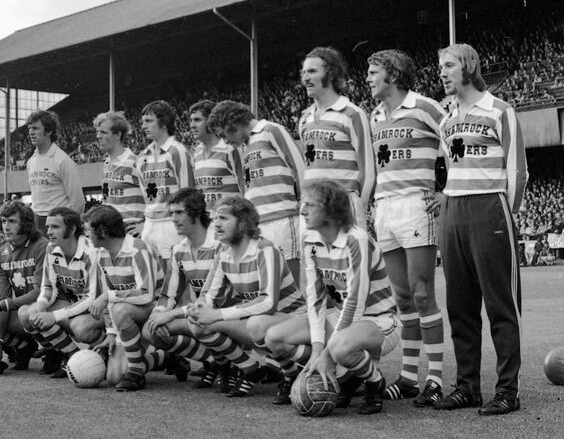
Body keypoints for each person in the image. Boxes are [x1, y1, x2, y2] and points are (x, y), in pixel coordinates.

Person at [435, 43, 528, 415]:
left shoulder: (501, 111)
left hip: (490, 207)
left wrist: (506, 210)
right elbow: (449, 167)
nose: (441, 73)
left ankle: (507, 390)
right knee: (459, 306)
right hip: (453, 208)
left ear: (469, 66)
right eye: (440, 67)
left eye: (448, 65)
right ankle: (467, 387)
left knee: (500, 303)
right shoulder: (446, 121)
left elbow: (517, 170)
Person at [264, 180, 400, 414]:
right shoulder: (309, 241)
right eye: (302, 204)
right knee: (275, 338)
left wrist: (327, 353)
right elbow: (315, 299)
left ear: (331, 210)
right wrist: (318, 351)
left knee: (338, 348)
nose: (303, 211)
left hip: (379, 320)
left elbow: (356, 300)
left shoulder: (357, 239)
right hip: (341, 318)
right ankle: (341, 376)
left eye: (310, 205)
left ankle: (374, 381)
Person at [364, 49, 448, 406]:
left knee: (423, 292)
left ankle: (436, 378)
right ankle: (410, 377)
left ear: (393, 75)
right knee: (402, 299)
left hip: (416, 205)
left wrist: (446, 192)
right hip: (385, 209)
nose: (367, 78)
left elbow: (455, 144)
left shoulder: (426, 107)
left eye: (373, 72)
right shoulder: (374, 116)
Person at [188, 196, 306, 397]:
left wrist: (217, 315)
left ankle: (292, 373)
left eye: (224, 218)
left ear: (243, 223)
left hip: (295, 320)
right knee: (198, 323)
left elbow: (268, 303)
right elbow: (208, 295)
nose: (216, 224)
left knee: (256, 324)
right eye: (215, 218)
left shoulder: (265, 249)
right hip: (260, 324)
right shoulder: (224, 254)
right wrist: (199, 308)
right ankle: (251, 369)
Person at [207, 100, 305, 282]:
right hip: (260, 222)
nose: (226, 141)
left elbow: (298, 166)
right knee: (270, 280)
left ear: (232, 123)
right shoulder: (245, 146)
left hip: (282, 218)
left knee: (291, 276)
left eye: (224, 134)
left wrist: (303, 202)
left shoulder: (271, 130)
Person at [142, 188, 226, 387]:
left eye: (179, 212)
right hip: (201, 315)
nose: (173, 218)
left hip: (227, 314)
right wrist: (158, 315)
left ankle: (237, 365)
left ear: (196, 213)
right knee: (150, 330)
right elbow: (168, 295)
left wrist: (171, 314)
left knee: (198, 321)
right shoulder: (179, 250)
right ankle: (214, 363)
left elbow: (217, 299)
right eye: (171, 213)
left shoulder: (219, 245)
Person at [18, 207, 106, 379]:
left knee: (80, 328)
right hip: (74, 307)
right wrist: (41, 303)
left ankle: (107, 351)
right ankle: (68, 356)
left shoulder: (90, 252)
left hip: (100, 310)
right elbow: (49, 288)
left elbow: (91, 298)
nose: (48, 231)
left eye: (55, 227)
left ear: (72, 229)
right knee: (26, 314)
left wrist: (55, 316)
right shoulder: (51, 249)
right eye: (48, 226)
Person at [87, 204, 165, 392]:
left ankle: (136, 373)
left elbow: (147, 294)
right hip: (127, 315)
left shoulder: (137, 249)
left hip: (153, 310)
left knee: (119, 308)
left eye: (89, 230)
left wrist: (110, 296)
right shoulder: (101, 253)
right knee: (114, 377)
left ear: (103, 232)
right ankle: (166, 357)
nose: (87, 235)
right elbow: (107, 294)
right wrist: (111, 334)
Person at [0, 201, 48, 375]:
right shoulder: (1, 255)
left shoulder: (41, 246)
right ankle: (24, 347)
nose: (6, 226)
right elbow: (1, 298)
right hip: (21, 315)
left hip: (46, 310)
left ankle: (54, 352)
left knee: (27, 312)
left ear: (26, 224)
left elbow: (40, 293)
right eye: (3, 221)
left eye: (12, 221)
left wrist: (0, 306)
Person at [298, 46, 372, 229]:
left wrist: (359, 206)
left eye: (312, 71)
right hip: (310, 207)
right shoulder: (304, 118)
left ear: (331, 74)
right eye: (304, 72)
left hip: (342, 205)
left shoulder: (352, 114)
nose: (305, 77)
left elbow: (368, 169)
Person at [136, 100, 195, 263]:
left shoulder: (177, 151)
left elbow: (188, 193)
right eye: (143, 122)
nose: (143, 126)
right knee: (155, 280)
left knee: (176, 279)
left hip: (171, 224)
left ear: (163, 122)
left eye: (149, 121)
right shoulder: (141, 157)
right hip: (150, 226)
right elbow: (145, 197)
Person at [26, 110, 86, 230]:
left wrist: (65, 227)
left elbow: (78, 202)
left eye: (35, 128)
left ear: (49, 131)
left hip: (57, 222)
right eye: (29, 128)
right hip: (37, 221)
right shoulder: (31, 161)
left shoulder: (63, 161)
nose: (31, 132)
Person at [190, 99, 245, 225]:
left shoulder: (230, 149)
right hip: (208, 225)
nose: (192, 125)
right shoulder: (197, 153)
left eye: (197, 120)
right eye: (191, 120)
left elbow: (246, 188)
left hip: (231, 224)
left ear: (210, 122)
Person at [95, 111, 146, 236]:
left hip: (131, 233)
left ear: (117, 134)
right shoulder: (107, 163)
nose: (98, 136)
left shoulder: (135, 162)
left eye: (103, 132)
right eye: (97, 132)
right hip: (112, 232)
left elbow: (155, 198)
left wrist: (145, 225)